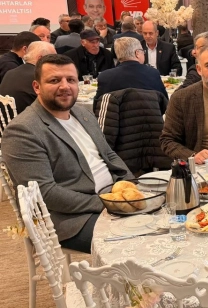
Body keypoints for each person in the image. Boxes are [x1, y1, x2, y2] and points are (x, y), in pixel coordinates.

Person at [2, 54, 133, 253]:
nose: (65, 86)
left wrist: (130, 185)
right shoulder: (23, 130)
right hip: (69, 218)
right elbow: (46, 193)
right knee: (134, 238)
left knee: (165, 217)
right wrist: (107, 203)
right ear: (37, 87)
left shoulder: (82, 113)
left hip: (110, 195)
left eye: (70, 80)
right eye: (54, 80)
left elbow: (109, 154)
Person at [94, 37, 167, 107]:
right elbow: (164, 103)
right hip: (149, 115)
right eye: (142, 51)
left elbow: (98, 106)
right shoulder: (152, 73)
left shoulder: (105, 77)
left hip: (117, 115)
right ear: (137, 53)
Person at [0, 41, 56, 115]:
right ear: (40, 58)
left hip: (8, 119)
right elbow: (55, 106)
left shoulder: (10, 72)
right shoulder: (40, 78)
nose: (56, 63)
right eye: (53, 58)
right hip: (30, 119)